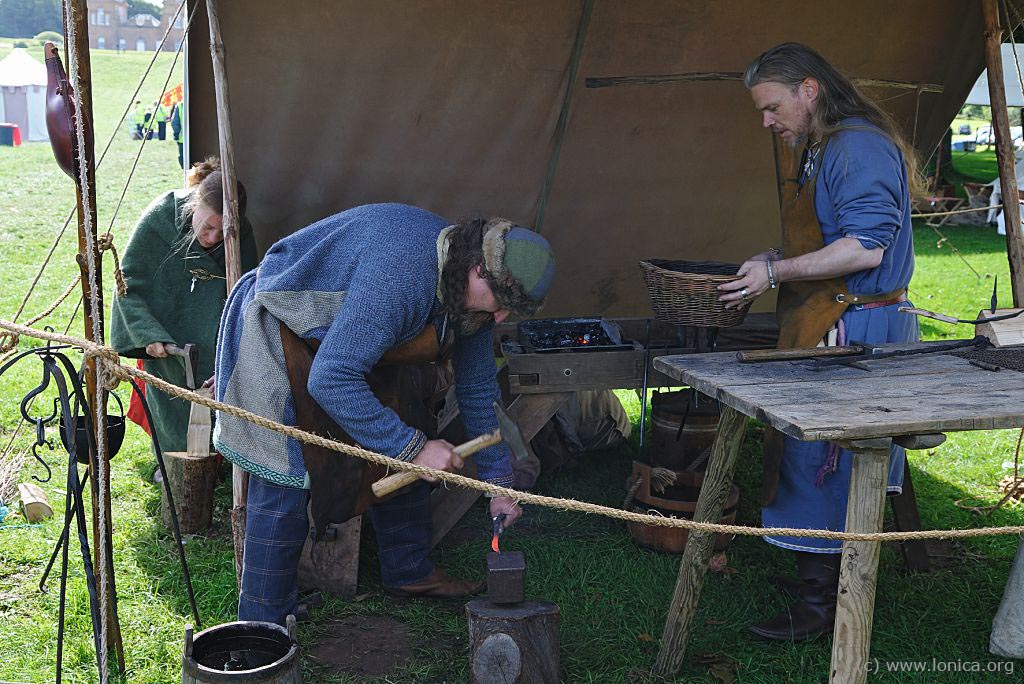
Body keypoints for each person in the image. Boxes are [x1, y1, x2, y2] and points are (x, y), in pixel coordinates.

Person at [213, 203, 556, 626]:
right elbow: (331, 379)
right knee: (286, 480)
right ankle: (260, 632)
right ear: (478, 270)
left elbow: (478, 388)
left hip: (340, 350)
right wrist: (412, 450)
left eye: (512, 311)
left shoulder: (469, 294)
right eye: (501, 303)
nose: (501, 316)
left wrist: (499, 484)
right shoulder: (404, 276)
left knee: (413, 425)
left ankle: (408, 572)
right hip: (278, 329)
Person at [718, 42, 920, 641]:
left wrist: (777, 275)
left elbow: (865, 247)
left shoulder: (856, 146)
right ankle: (820, 577)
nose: (767, 121)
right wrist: (775, 258)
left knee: (830, 465)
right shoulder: (821, 146)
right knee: (811, 462)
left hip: (857, 331)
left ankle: (821, 607)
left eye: (773, 107)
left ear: (810, 90)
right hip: (828, 321)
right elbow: (830, 235)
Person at [110, 157, 258, 454]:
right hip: (166, 334)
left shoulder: (240, 231)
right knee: (170, 402)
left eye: (223, 231)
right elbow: (128, 284)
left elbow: (247, 295)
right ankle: (171, 461)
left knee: (216, 394)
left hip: (213, 332)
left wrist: (233, 354)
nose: (213, 237)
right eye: (208, 227)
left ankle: (217, 457)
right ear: (194, 205)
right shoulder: (161, 218)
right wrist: (147, 334)